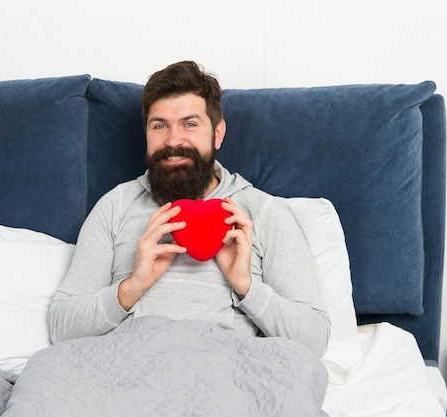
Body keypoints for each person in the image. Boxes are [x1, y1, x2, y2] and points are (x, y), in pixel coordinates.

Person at [48, 61, 330, 356]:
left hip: (226, 365)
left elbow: (315, 339)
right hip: (131, 361)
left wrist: (246, 286)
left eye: (190, 124)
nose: (173, 141)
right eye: (159, 126)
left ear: (218, 134)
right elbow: (62, 327)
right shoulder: (115, 206)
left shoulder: (262, 212)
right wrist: (132, 287)